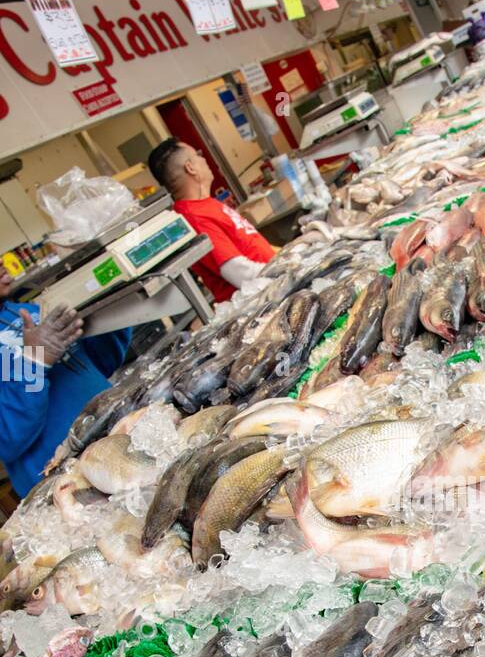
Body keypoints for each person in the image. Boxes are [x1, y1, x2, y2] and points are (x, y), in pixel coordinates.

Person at [0, 267, 131, 498]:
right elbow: (6, 439)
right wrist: (34, 361)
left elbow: (101, 364)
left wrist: (109, 310)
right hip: (72, 484)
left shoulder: (28, 312)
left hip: (123, 439)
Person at [147, 138, 277, 304]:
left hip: (272, 285)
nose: (204, 159)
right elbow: (241, 274)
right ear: (190, 167)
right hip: (262, 300)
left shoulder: (205, 204)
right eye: (198, 155)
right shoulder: (192, 216)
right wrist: (290, 265)